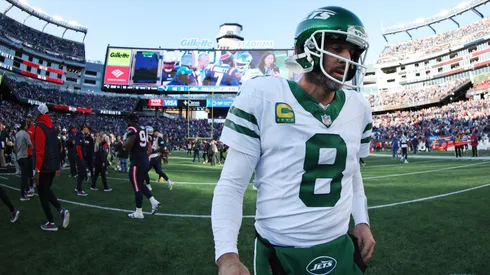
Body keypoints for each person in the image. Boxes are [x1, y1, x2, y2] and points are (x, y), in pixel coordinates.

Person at [211, 6, 375, 275]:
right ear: (308, 49)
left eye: (353, 52)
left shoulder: (359, 107)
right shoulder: (263, 94)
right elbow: (231, 184)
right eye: (337, 47)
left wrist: (362, 221)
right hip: (279, 252)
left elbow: (352, 172)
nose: (347, 59)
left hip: (339, 246)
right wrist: (227, 256)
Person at [33, 103, 70, 231]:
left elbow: (39, 150)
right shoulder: (52, 128)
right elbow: (57, 148)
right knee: (46, 190)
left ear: (40, 114)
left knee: (43, 193)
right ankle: (60, 211)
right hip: (52, 166)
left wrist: (37, 169)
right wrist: (57, 166)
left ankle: (52, 220)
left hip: (43, 166)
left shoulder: (40, 127)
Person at [123, 114, 160, 219]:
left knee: (136, 186)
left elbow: (128, 146)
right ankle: (153, 201)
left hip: (137, 162)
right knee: (140, 183)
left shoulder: (132, 129)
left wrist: (123, 144)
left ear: (130, 121)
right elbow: (148, 145)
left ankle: (139, 212)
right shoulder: (142, 129)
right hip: (144, 160)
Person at [144, 127, 173, 191]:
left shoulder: (147, 137)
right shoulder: (159, 137)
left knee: (144, 171)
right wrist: (160, 151)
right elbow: (163, 146)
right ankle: (169, 181)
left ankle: (148, 185)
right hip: (156, 157)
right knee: (159, 171)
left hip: (150, 157)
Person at [14, 120, 33, 200]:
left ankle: (26, 191)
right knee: (24, 177)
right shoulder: (26, 134)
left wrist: (17, 153)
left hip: (18, 156)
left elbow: (15, 146)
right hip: (24, 156)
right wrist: (35, 151)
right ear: (24, 126)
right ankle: (23, 194)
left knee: (23, 175)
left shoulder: (17, 134)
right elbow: (30, 145)